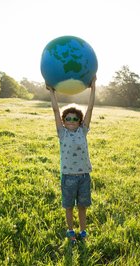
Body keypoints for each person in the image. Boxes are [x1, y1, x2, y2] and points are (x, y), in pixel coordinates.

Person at [48, 77, 96, 244]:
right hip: (68, 176)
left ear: (80, 121)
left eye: (75, 119)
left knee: (82, 207)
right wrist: (52, 92)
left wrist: (93, 87)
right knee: (69, 206)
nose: (71, 121)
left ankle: (83, 231)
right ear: (63, 121)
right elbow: (55, 110)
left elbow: (90, 108)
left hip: (83, 176)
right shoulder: (62, 133)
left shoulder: (83, 131)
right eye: (68, 118)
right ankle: (70, 231)